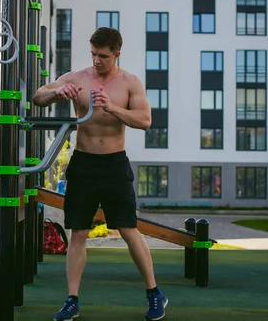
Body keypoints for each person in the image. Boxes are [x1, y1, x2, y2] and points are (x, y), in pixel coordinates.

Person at [33, 27, 168, 321]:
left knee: (128, 230)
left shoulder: (130, 83)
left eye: (103, 56)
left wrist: (113, 107)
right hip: (83, 163)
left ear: (117, 53)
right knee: (78, 231)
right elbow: (38, 97)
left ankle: (154, 293)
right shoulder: (77, 77)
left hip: (114, 164)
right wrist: (59, 91)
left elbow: (145, 121)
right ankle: (72, 300)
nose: (97, 61)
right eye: (93, 54)